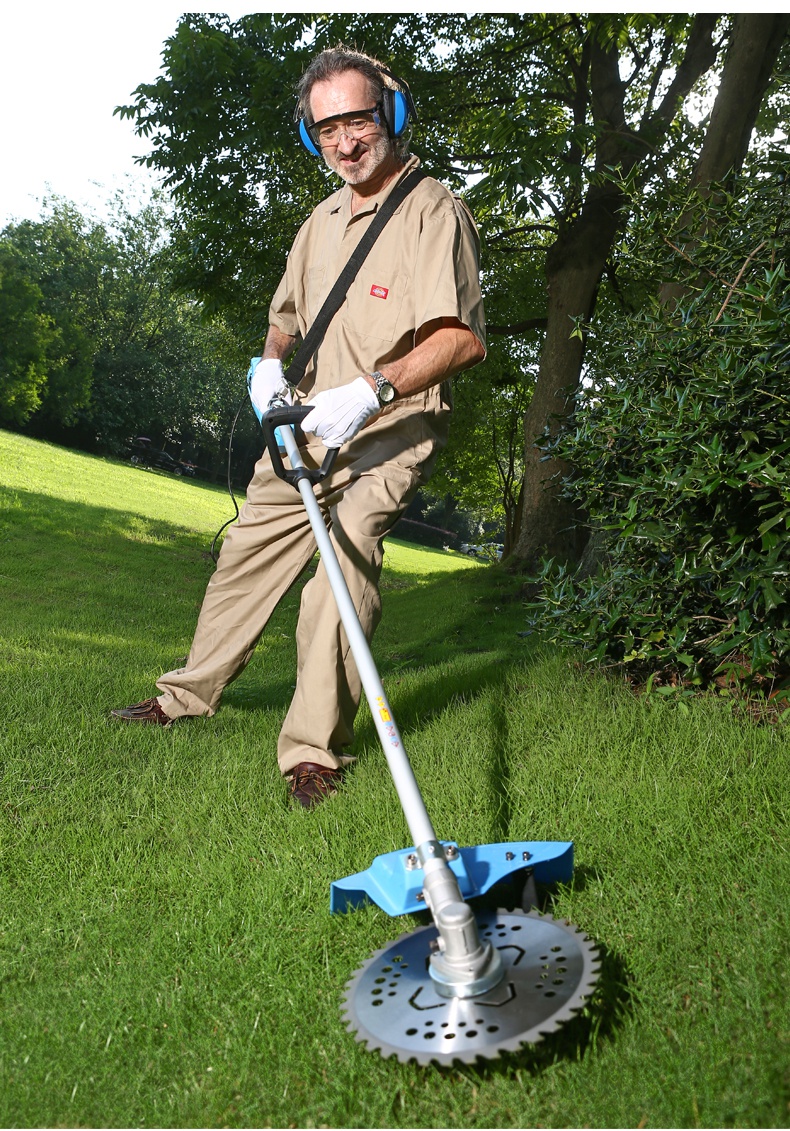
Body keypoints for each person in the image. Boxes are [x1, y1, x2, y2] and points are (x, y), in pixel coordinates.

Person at [112, 46, 486, 808]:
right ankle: (185, 695)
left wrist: (374, 388)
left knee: (340, 573)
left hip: (389, 428)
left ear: (392, 114)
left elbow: (461, 339)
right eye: (326, 130)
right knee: (244, 556)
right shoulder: (320, 221)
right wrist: (268, 365)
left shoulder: (433, 211)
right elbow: (284, 319)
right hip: (304, 426)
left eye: (357, 121)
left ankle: (313, 751)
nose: (344, 143)